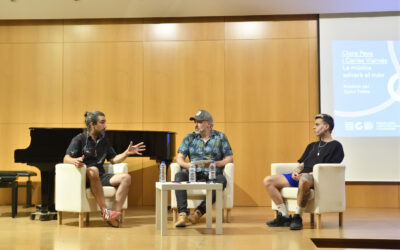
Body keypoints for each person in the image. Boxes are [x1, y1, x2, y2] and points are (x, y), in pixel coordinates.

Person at [63, 111, 146, 227]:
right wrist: (74, 161)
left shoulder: (103, 141)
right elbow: (66, 158)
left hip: (100, 176)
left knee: (126, 178)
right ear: (92, 124)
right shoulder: (80, 139)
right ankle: (104, 210)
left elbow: (114, 159)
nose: (105, 126)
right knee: (93, 170)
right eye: (102, 122)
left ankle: (114, 215)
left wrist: (127, 153)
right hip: (84, 176)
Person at [263, 113, 344, 230]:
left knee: (304, 179)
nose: (313, 127)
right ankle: (284, 216)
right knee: (268, 181)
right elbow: (302, 163)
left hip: (315, 178)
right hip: (300, 176)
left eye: (317, 124)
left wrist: (307, 174)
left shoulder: (336, 146)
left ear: (326, 127)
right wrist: (296, 171)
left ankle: (297, 217)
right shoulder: (312, 145)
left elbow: (330, 168)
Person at [174, 110, 233, 227]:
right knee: (179, 176)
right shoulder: (189, 138)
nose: (196, 124)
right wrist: (188, 165)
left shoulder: (220, 137)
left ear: (209, 124)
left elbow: (229, 158)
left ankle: (198, 213)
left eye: (199, 122)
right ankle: (183, 214)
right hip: (194, 173)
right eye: (195, 122)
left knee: (221, 181)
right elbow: (179, 158)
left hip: (213, 173)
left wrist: (215, 164)